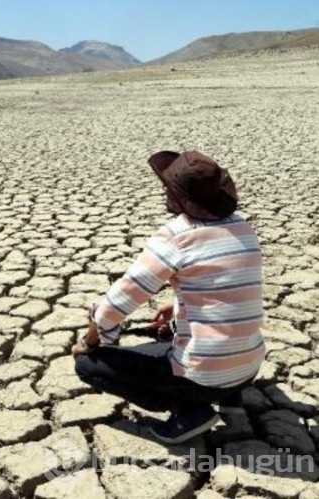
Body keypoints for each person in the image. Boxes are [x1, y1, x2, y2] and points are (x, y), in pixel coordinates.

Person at [71, 151, 265, 444]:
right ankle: (231, 401)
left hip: (205, 376)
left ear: (178, 196)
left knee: (89, 365)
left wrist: (92, 339)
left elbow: (118, 301)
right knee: (168, 334)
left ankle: (191, 411)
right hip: (249, 367)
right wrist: (177, 308)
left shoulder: (177, 235)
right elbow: (226, 294)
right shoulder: (243, 227)